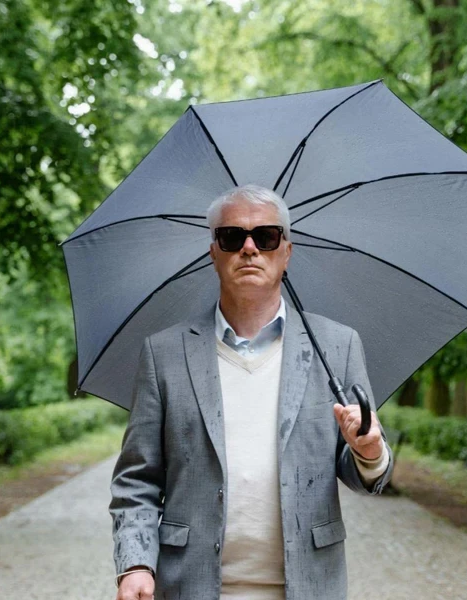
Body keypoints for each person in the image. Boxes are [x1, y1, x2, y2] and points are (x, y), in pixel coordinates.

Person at [109, 184, 393, 600]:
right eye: (231, 237)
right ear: (213, 253)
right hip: (191, 587)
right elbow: (137, 480)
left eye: (265, 236)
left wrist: (369, 452)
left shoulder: (337, 345)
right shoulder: (163, 353)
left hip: (309, 586)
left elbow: (365, 474)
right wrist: (135, 564)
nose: (249, 248)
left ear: (286, 251)